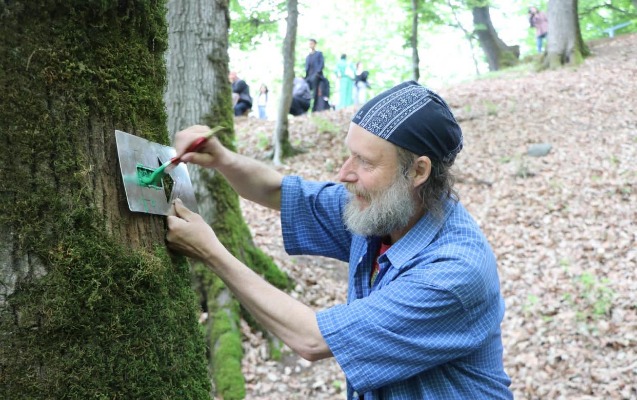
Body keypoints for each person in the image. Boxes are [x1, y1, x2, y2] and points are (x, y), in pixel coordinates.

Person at [166, 81, 513, 400]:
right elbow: (277, 191)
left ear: (418, 171)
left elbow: (311, 339)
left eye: (365, 162)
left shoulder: (454, 272)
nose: (344, 173)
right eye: (350, 154)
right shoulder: (384, 209)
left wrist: (211, 252)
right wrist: (223, 159)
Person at [305, 39, 325, 111]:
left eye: (312, 43)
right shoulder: (308, 56)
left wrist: (317, 73)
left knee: (315, 91)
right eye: (309, 43)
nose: (311, 45)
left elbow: (321, 64)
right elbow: (307, 68)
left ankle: (315, 108)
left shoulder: (319, 54)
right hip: (308, 77)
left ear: (315, 44)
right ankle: (305, 107)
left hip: (317, 76)